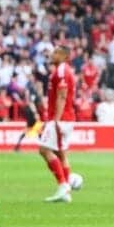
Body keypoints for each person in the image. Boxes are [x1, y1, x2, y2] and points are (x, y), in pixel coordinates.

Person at [39, 46, 77, 203]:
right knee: (61, 153)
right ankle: (65, 190)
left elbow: (62, 95)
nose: (52, 54)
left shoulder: (61, 70)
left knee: (44, 150)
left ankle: (63, 185)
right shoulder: (62, 69)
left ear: (64, 56)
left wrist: (56, 119)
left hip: (61, 119)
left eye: (55, 52)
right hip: (65, 118)